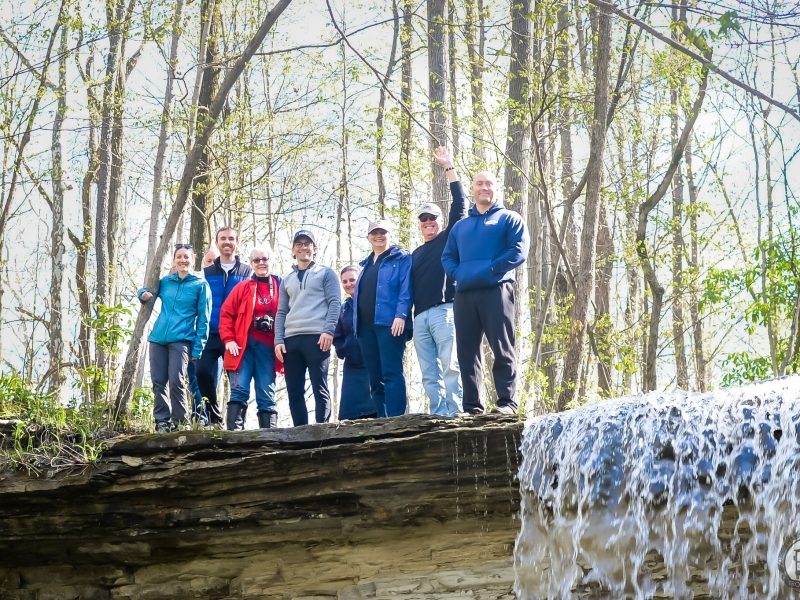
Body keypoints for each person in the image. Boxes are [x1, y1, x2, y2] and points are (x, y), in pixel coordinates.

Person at [441, 169, 529, 415]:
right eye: (479, 184)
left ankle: (507, 403)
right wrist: (459, 275)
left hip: (497, 289)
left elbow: (518, 251)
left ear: (495, 188)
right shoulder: (461, 227)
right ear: (472, 189)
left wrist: (492, 269)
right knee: (467, 351)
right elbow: (447, 257)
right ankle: (471, 407)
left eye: (489, 184)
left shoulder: (509, 219)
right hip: (465, 294)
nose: (484, 188)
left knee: (502, 347)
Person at [411, 146, 466, 416]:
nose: (429, 222)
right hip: (419, 317)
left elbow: (460, 204)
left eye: (433, 218)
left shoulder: (448, 237)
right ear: (419, 225)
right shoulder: (415, 254)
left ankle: (455, 413)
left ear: (441, 220)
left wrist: (448, 166)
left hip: (445, 310)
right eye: (424, 220)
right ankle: (438, 413)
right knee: (428, 372)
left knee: (451, 364)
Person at [138, 244, 212, 432]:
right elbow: (147, 290)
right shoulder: (165, 282)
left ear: (193, 260)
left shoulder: (200, 285)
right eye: (179, 256)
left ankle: (180, 422)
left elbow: (204, 319)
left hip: (182, 340)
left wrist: (198, 348)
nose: (182, 260)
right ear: (174, 260)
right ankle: (162, 421)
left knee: (177, 380)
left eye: (186, 257)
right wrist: (142, 294)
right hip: (157, 339)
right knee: (158, 381)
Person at [274, 229, 341, 426]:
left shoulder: (326, 273)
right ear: (293, 250)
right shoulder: (287, 279)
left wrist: (328, 330)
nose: (304, 247)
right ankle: (300, 433)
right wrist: (278, 340)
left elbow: (335, 303)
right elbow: (281, 312)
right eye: (299, 244)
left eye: (308, 243)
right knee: (294, 390)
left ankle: (322, 430)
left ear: (315, 248)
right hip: (291, 340)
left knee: (319, 386)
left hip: (317, 337)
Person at [218, 245, 281, 430]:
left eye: (265, 259)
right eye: (256, 260)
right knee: (239, 389)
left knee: (266, 393)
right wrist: (228, 339)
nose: (261, 263)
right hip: (242, 346)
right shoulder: (243, 287)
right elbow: (226, 313)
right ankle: (235, 436)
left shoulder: (280, 285)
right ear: (251, 264)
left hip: (269, 348)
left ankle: (269, 436)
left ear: (271, 261)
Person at [353, 220, 412, 418]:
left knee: (391, 372)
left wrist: (401, 315)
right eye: (374, 232)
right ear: (368, 237)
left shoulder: (401, 258)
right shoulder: (366, 264)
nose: (379, 236)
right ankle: (381, 418)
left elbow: (406, 289)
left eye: (383, 232)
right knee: (375, 376)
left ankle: (396, 419)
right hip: (365, 327)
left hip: (389, 324)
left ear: (390, 234)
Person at [196, 226, 252, 425]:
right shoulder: (206, 272)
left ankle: (236, 424)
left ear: (237, 242)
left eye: (231, 239)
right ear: (217, 242)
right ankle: (213, 418)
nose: (227, 242)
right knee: (202, 372)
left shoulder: (248, 271)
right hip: (211, 333)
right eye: (223, 239)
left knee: (237, 381)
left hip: (236, 336)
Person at [333, 265, 376, 420]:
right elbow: (337, 335)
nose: (348, 284)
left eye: (352, 280)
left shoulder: (372, 301)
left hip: (372, 363)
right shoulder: (343, 308)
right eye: (344, 281)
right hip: (352, 366)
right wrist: (345, 349)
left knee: (375, 409)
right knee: (350, 415)